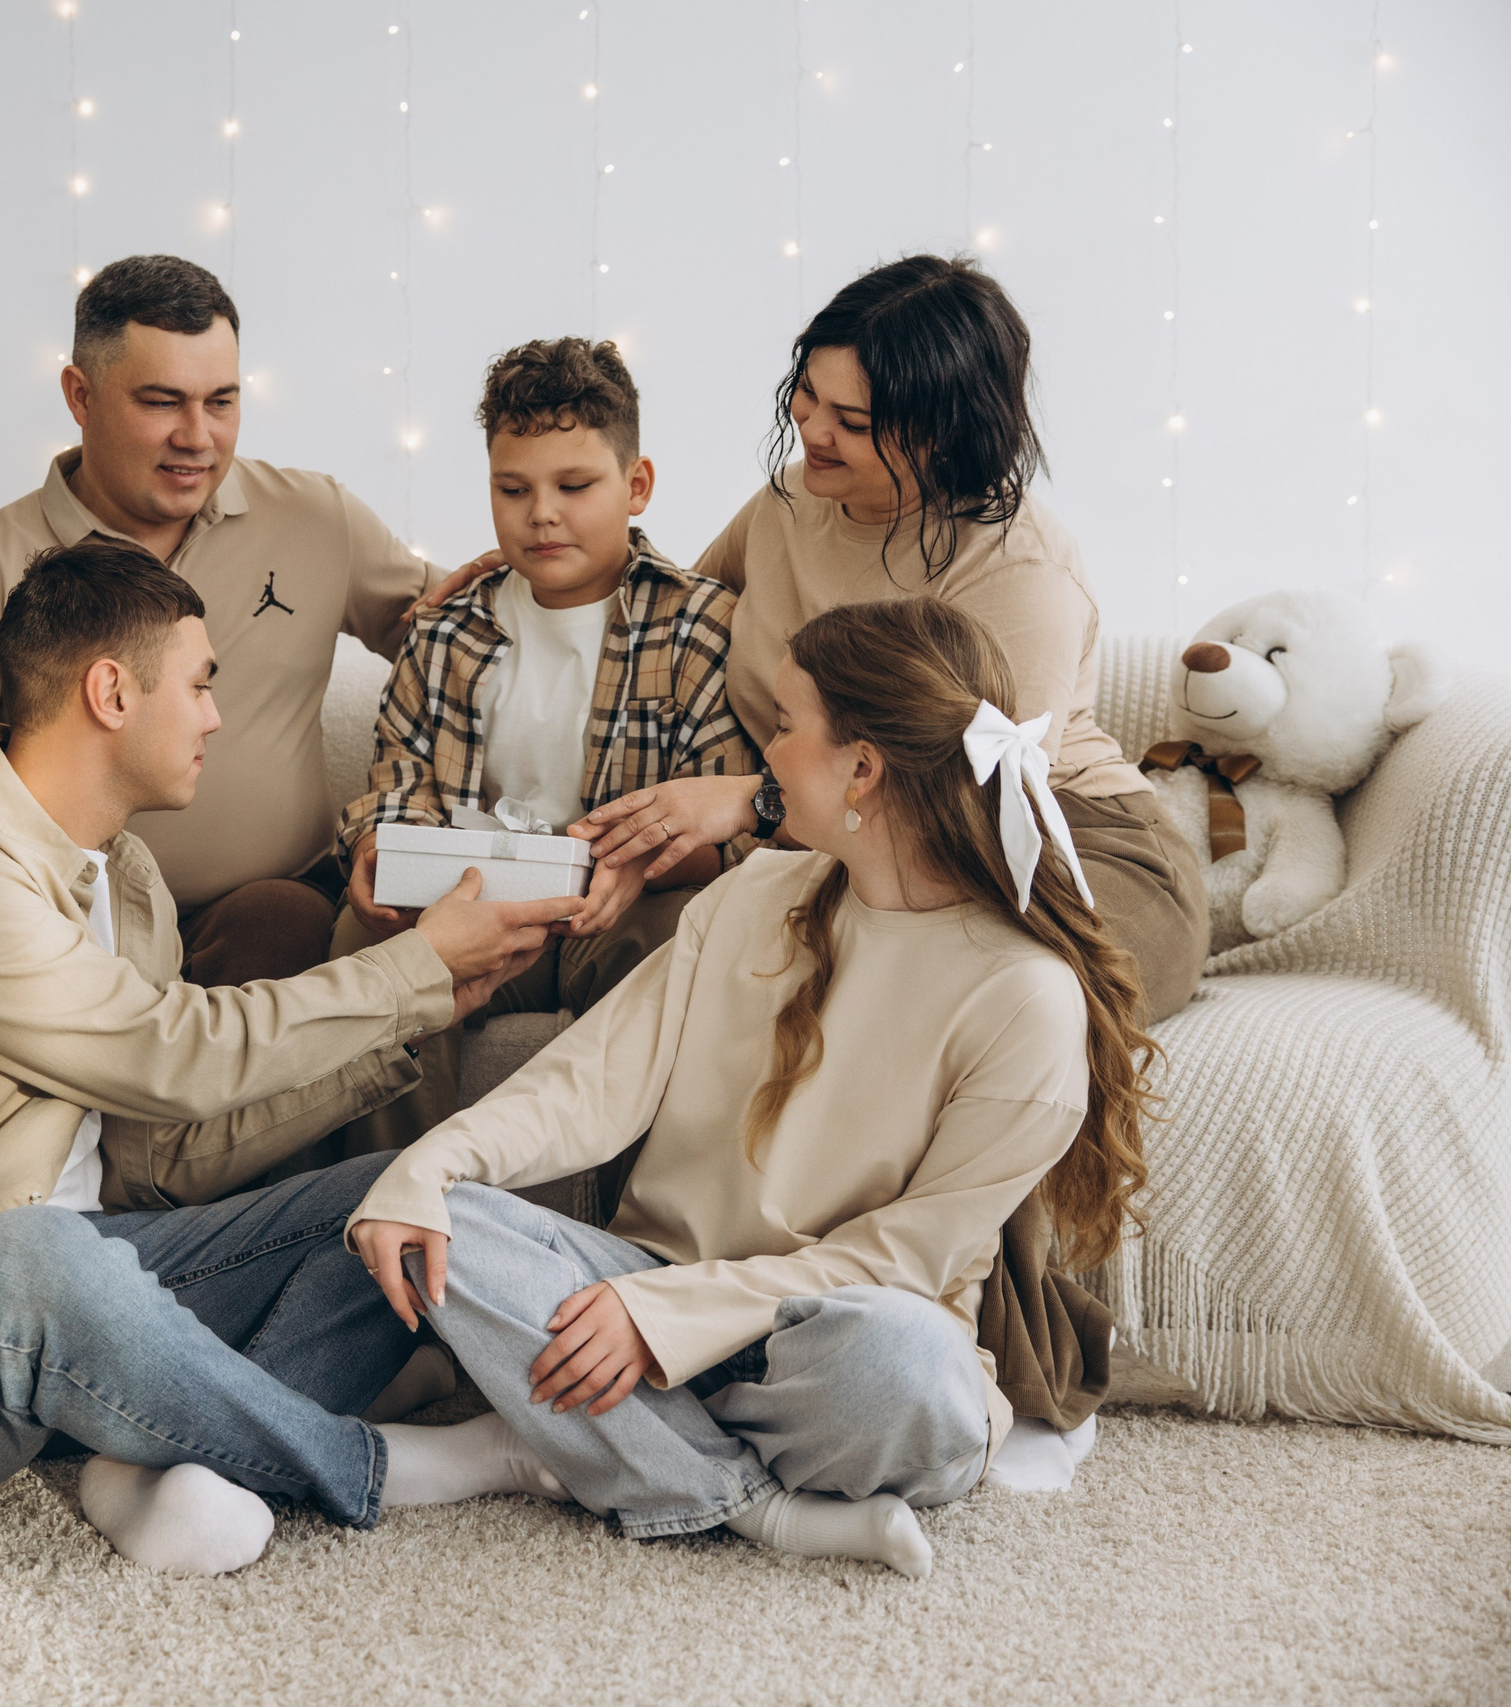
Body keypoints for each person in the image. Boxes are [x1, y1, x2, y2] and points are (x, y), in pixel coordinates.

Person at [0, 538, 579, 1576]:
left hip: (85, 1293)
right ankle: (372, 1462)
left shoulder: (125, 879)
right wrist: (402, 971)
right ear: (109, 692)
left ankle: (160, 1463)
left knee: (391, 1199)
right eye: (199, 684)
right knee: (39, 1253)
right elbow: (167, 1055)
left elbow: (157, 1157)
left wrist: (415, 1014)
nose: (215, 716)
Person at [346, 598, 1158, 1579]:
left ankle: (563, 1439)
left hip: (826, 1341)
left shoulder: (1024, 996)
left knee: (907, 1374)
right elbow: (589, 1084)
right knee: (452, 1223)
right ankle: (746, 1501)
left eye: (782, 725)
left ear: (860, 768)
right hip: (643, 1280)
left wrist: (672, 1322)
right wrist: (428, 1168)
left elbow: (900, 1259)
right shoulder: (752, 894)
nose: (762, 755)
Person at [565, 255, 1207, 1023]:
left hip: (1047, 854)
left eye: (854, 421)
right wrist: (542, 570)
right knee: (625, 948)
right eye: (807, 394)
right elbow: (664, 617)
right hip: (844, 849)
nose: (813, 429)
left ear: (943, 434)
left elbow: (969, 804)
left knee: (925, 999)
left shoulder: (1019, 567)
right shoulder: (790, 502)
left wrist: (753, 802)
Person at [0, 253, 435, 988]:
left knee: (276, 927)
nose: (198, 437)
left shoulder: (317, 519)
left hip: (276, 907)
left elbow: (467, 640)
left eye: (222, 402)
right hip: (69, 922)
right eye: (162, 402)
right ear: (81, 394)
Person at [330, 336, 756, 1149]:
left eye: (574, 485)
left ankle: (642, 1226)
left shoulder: (701, 624)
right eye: (512, 488)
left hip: (623, 906)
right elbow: (397, 776)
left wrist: (636, 859)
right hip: (483, 905)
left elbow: (728, 815)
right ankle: (390, 1195)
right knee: (368, 940)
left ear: (637, 486)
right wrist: (380, 845)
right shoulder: (452, 627)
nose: (542, 514)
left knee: (689, 932)